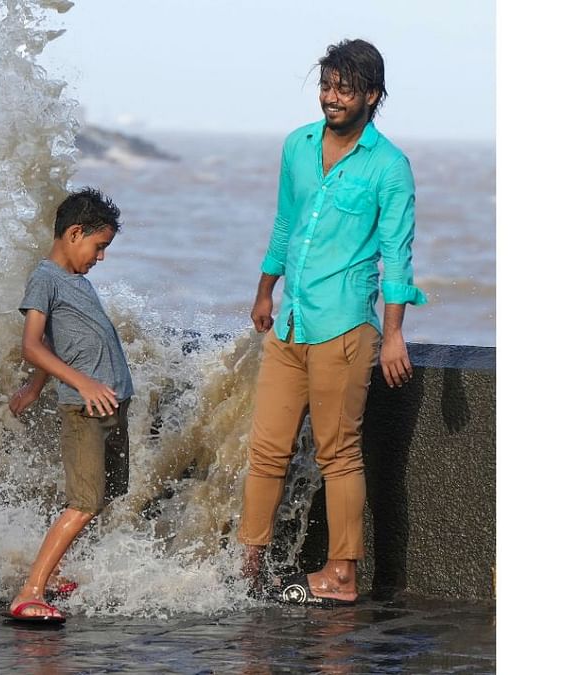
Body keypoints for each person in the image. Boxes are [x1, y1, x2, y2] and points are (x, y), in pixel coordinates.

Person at [237, 39, 427, 606]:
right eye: (326, 86)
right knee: (266, 448)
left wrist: (393, 333)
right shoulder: (297, 146)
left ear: (372, 94)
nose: (331, 98)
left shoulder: (389, 167)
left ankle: (342, 574)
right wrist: (264, 291)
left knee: (337, 451)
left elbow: (398, 254)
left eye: (344, 88)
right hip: (292, 321)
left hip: (345, 325)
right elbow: (283, 223)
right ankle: (249, 565)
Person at [4, 188, 134, 622]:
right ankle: (30, 592)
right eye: (99, 247)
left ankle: (52, 574)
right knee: (83, 502)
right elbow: (32, 344)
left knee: (104, 494)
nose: (101, 257)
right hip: (85, 407)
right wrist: (81, 383)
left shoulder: (78, 281)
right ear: (75, 233)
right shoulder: (45, 278)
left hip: (109, 404)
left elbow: (59, 343)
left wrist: (35, 388)